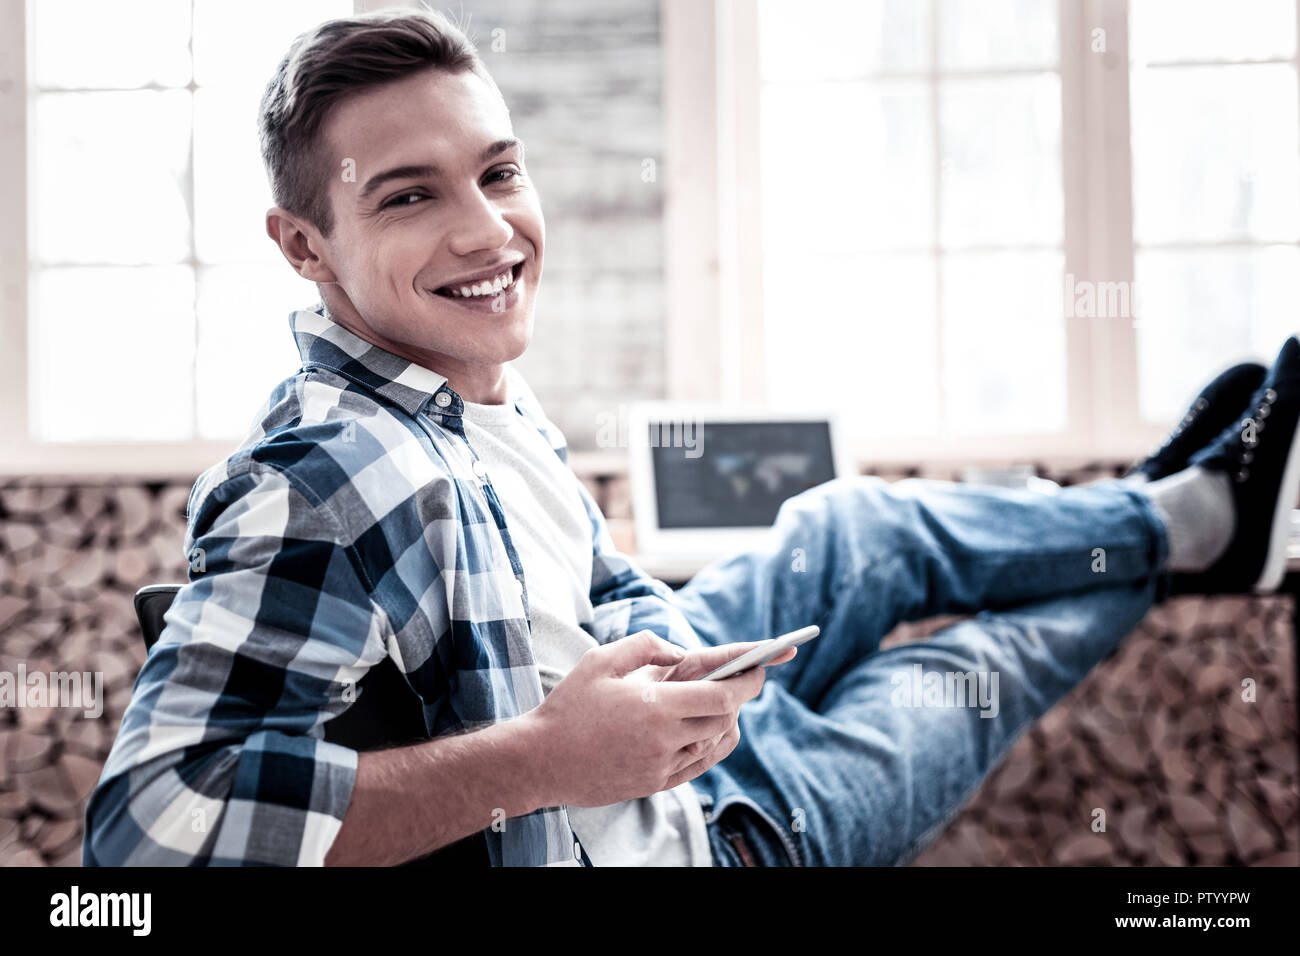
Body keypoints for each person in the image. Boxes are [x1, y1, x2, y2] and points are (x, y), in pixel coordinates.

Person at [81, 8, 1300, 867]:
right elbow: (150, 827)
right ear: (302, 245)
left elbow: (594, 588)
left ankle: (1171, 513)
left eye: (497, 173)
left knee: (847, 520)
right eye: (410, 194)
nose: (486, 232)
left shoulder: (463, 385)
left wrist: (680, 669)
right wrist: (548, 756)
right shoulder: (323, 473)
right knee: (960, 669)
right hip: (710, 837)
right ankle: (1202, 531)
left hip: (669, 734)